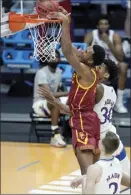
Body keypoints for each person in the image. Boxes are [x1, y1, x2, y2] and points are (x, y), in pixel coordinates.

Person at [39, 59, 130, 175]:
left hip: (99, 139)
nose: (96, 68)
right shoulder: (112, 91)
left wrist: (53, 100)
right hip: (112, 136)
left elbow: (72, 110)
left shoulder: (95, 89)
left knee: (89, 177)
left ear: (106, 75)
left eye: (100, 67)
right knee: (123, 177)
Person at [45, 9, 106, 175]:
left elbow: (66, 51)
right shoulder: (87, 68)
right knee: (90, 173)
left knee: (88, 175)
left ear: (91, 60)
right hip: (84, 119)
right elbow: (69, 47)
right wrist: (62, 24)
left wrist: (65, 24)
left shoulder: (85, 71)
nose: (83, 50)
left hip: (84, 123)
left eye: (86, 51)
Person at [84, 15, 128, 113]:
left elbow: (120, 57)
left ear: (109, 26)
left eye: (106, 24)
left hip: (111, 64)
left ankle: (119, 103)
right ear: (97, 26)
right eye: (101, 24)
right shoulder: (91, 35)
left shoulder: (114, 36)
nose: (103, 26)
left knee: (123, 66)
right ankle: (88, 101)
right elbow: (84, 53)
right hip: (96, 64)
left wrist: (108, 42)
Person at [32, 50, 68, 148]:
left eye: (56, 56)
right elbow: (48, 95)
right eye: (51, 56)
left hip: (52, 102)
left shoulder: (59, 72)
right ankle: (55, 135)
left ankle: (72, 132)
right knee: (55, 102)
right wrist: (67, 93)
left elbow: (59, 88)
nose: (54, 58)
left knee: (73, 101)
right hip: (39, 105)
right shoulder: (42, 73)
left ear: (59, 59)